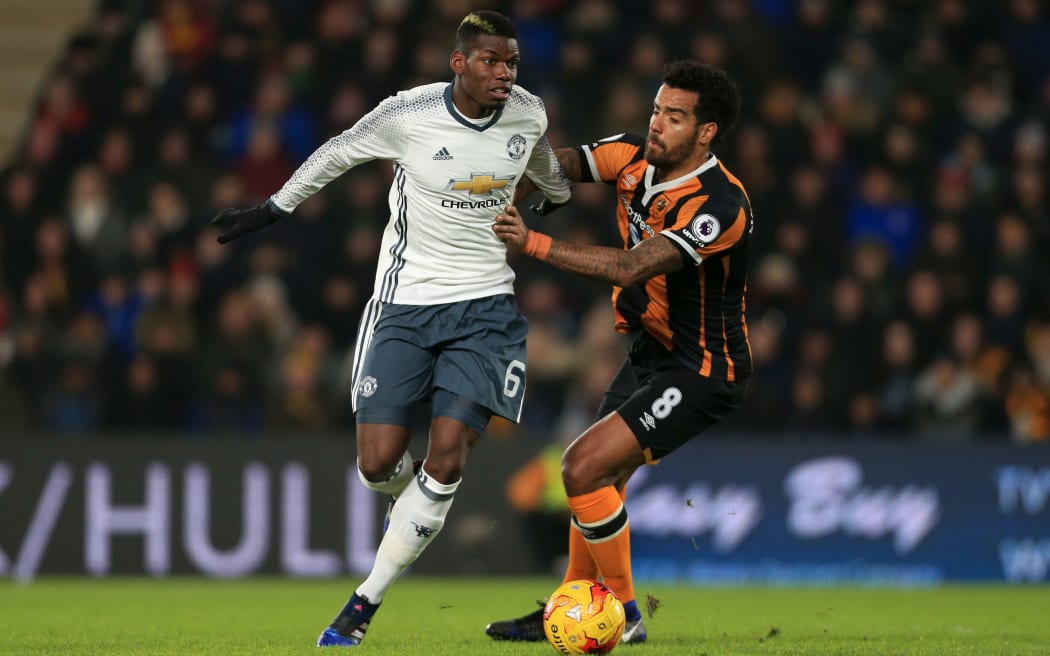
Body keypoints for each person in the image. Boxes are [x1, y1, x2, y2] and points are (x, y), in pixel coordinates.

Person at [210, 10, 570, 647]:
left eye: (512, 62)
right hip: (404, 304)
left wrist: (553, 197)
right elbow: (335, 152)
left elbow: (544, 167)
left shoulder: (527, 113)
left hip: (485, 308)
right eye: (491, 61)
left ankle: (362, 604)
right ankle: (412, 504)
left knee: (448, 456)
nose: (504, 74)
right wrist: (271, 210)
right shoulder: (409, 113)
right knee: (377, 466)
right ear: (458, 63)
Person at [486, 59, 752, 644]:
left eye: (675, 117)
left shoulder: (720, 207)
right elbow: (559, 164)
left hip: (702, 368)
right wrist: (505, 195)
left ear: (705, 132)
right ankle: (570, 606)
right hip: (651, 352)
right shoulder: (631, 154)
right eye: (657, 109)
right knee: (600, 476)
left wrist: (531, 241)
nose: (657, 123)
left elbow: (632, 266)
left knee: (581, 468)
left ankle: (626, 616)